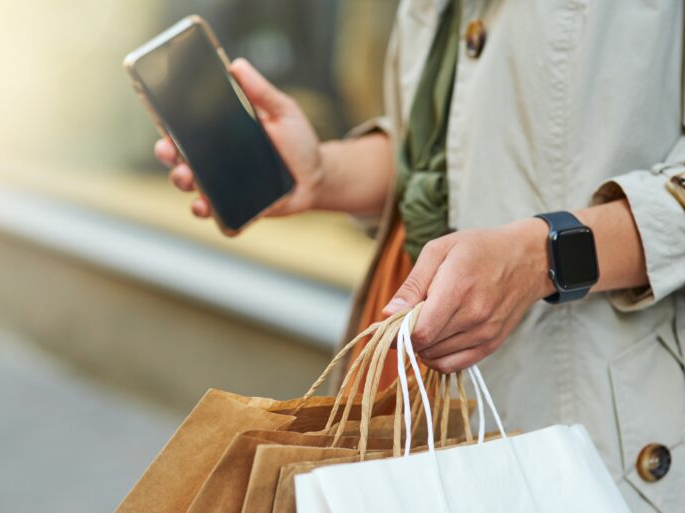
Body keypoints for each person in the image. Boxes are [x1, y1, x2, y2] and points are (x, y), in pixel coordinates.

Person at [155, 1, 685, 511]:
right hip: (434, 415)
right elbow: (445, 158)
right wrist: (322, 172)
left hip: (614, 436)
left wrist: (539, 256)